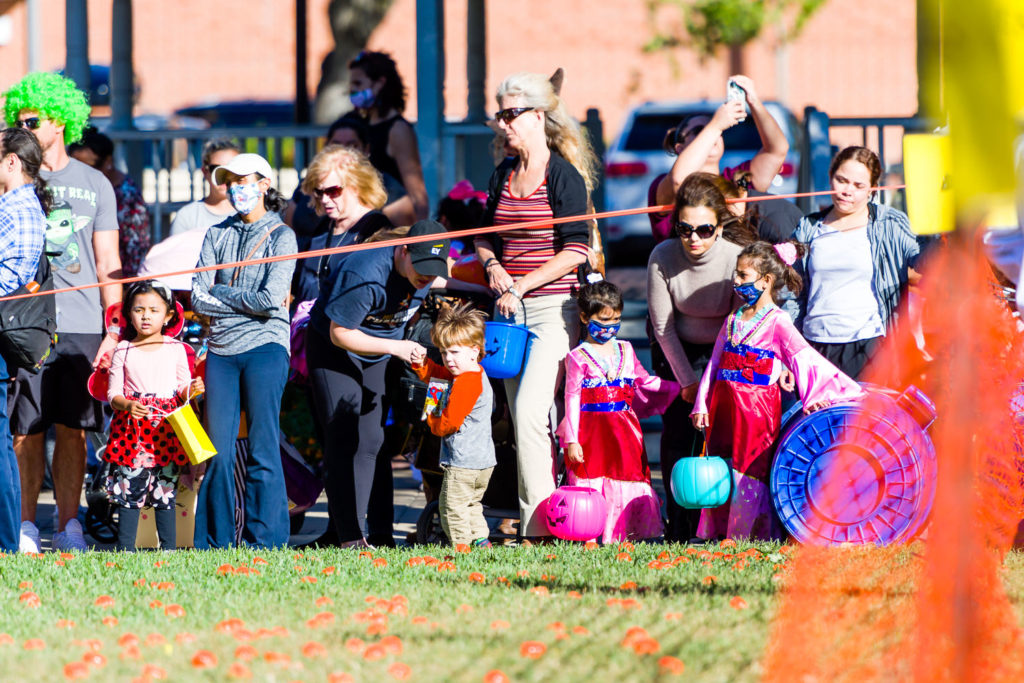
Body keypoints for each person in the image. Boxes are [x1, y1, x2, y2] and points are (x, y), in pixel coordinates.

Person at [474, 70, 599, 542]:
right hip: (509, 314)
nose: (503, 124)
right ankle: (536, 522)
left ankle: (545, 528)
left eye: (511, 114)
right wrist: (492, 267)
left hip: (552, 309)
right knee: (518, 419)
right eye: (499, 115)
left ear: (538, 116)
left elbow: (576, 248)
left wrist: (522, 283)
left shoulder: (562, 175)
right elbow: (484, 237)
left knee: (530, 411)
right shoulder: (503, 173)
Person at [3, 72, 122, 553]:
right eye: (16, 120)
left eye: (30, 119)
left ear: (61, 120)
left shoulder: (96, 183)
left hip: (80, 322)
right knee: (25, 430)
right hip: (27, 321)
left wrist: (114, 328)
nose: (21, 126)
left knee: (73, 428)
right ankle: (26, 524)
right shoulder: (12, 177)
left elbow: (111, 263)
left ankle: (69, 524)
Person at [691, 241, 864, 540]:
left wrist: (816, 396)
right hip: (725, 404)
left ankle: (747, 534)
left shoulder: (779, 322)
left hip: (756, 409)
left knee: (750, 467)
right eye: (736, 273)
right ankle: (717, 531)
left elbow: (804, 359)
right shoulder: (733, 319)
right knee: (722, 462)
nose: (736, 280)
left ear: (766, 281)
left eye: (743, 275)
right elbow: (714, 362)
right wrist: (701, 403)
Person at [308, 219, 450, 548]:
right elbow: (339, 333)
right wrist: (395, 347)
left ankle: (381, 535)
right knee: (343, 437)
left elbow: (442, 278)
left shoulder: (426, 271)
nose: (425, 278)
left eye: (433, 270)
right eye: (421, 268)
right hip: (336, 348)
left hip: (379, 349)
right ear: (403, 251)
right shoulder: (365, 272)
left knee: (373, 439)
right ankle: (349, 538)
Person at [190, 153, 296, 549]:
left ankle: (265, 540)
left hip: (266, 347)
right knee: (217, 451)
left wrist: (222, 291)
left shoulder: (282, 235)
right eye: (228, 180)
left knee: (263, 446)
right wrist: (232, 298)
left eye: (243, 179)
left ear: (265, 184)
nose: (235, 188)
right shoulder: (216, 233)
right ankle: (214, 541)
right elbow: (198, 296)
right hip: (221, 350)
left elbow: (272, 301)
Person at [646, 172, 757, 542]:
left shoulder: (735, 259)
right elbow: (663, 327)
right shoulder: (662, 257)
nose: (694, 238)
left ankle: (727, 526)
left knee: (723, 436)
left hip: (725, 349)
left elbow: (740, 321)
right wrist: (690, 383)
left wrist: (711, 378)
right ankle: (679, 530)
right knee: (679, 435)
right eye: (684, 228)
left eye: (705, 229)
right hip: (676, 350)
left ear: (721, 226)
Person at [557, 281, 679, 543]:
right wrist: (572, 439)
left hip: (625, 431)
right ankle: (589, 534)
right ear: (584, 317)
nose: (610, 327)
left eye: (616, 320)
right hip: (591, 433)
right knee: (590, 476)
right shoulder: (578, 357)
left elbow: (644, 381)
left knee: (626, 475)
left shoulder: (626, 349)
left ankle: (620, 533)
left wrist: (681, 387)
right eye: (603, 320)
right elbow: (572, 396)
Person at [793, 146, 921, 379]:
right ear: (831, 177)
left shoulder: (890, 221)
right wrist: (790, 353)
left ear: (872, 190)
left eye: (858, 185)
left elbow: (919, 257)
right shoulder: (808, 227)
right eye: (841, 180)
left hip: (870, 345)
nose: (847, 191)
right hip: (816, 345)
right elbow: (792, 294)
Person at [103, 280, 203, 551]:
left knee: (165, 491)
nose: (146, 316)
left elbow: (182, 388)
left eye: (154, 310)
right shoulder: (123, 349)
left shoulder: (176, 349)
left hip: (166, 431)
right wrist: (127, 405)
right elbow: (113, 393)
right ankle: (125, 549)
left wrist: (191, 389)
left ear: (169, 315)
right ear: (128, 314)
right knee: (129, 489)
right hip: (132, 432)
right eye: (138, 310)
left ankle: (169, 548)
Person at [648, 76, 789, 243]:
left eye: (718, 130)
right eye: (700, 131)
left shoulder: (736, 179)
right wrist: (715, 125)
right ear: (680, 148)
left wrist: (754, 102)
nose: (712, 133)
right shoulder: (661, 184)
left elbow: (777, 150)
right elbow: (679, 181)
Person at [408, 304, 495, 549]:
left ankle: (461, 549)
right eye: (444, 353)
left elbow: (448, 423)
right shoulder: (472, 372)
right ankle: (480, 541)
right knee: (471, 505)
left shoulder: (467, 383)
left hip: (464, 462)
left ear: (474, 351)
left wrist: (433, 419)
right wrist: (422, 364)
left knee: (452, 508)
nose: (448, 359)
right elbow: (440, 376)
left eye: (454, 352)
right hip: (483, 461)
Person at [0, 127, 49, 553]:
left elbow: (12, 278)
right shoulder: (8, 206)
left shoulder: (22, 210)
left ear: (11, 161)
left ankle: (4, 540)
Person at [286, 115, 405, 250]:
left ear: (366, 149)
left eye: (351, 145)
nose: (342, 151)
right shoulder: (308, 183)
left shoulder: (388, 187)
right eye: (319, 191)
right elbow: (288, 227)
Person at [293, 145, 393, 305]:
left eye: (333, 191)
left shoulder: (376, 228)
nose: (324, 199)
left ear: (357, 186)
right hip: (303, 324)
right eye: (319, 192)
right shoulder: (324, 226)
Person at [348, 50, 428, 224]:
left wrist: (421, 237)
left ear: (380, 83)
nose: (352, 90)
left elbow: (417, 193)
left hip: (391, 222)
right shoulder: (360, 124)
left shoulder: (398, 129)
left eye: (358, 83)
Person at [68, 127, 151, 277]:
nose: (82, 174)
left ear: (108, 161)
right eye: (75, 166)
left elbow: (136, 250)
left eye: (90, 167)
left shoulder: (128, 196)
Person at [168, 139, 241, 236]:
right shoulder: (186, 217)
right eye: (216, 169)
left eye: (231, 169)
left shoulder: (252, 214)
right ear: (205, 172)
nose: (224, 176)